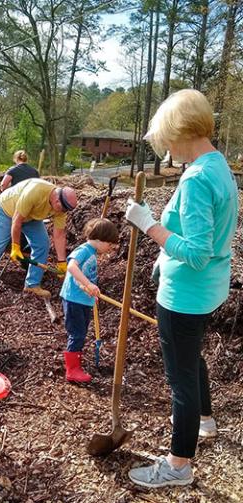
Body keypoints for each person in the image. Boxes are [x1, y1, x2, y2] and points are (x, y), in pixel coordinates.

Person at [125, 89, 239, 488]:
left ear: (179, 132)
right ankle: (204, 421)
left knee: (180, 380)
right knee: (192, 361)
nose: (166, 148)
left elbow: (196, 251)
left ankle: (177, 465)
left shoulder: (196, 179)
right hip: (207, 289)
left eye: (166, 139)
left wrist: (149, 225)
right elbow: (204, 239)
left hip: (185, 295)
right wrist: (163, 256)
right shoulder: (218, 164)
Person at [0, 178, 77, 309]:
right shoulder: (35, 192)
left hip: (31, 216)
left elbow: (59, 235)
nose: (64, 212)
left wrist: (61, 262)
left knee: (42, 244)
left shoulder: (61, 207)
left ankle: (32, 285)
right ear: (57, 200)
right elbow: (17, 221)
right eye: (64, 209)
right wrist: (15, 247)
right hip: (8, 210)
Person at [60, 218, 119, 383]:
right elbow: (71, 267)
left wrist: (91, 292)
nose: (110, 248)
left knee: (81, 332)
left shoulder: (92, 252)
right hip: (73, 299)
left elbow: (87, 275)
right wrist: (88, 284)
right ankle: (72, 370)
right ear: (100, 240)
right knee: (77, 334)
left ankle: (76, 363)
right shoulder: (84, 250)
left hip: (83, 299)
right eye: (109, 244)